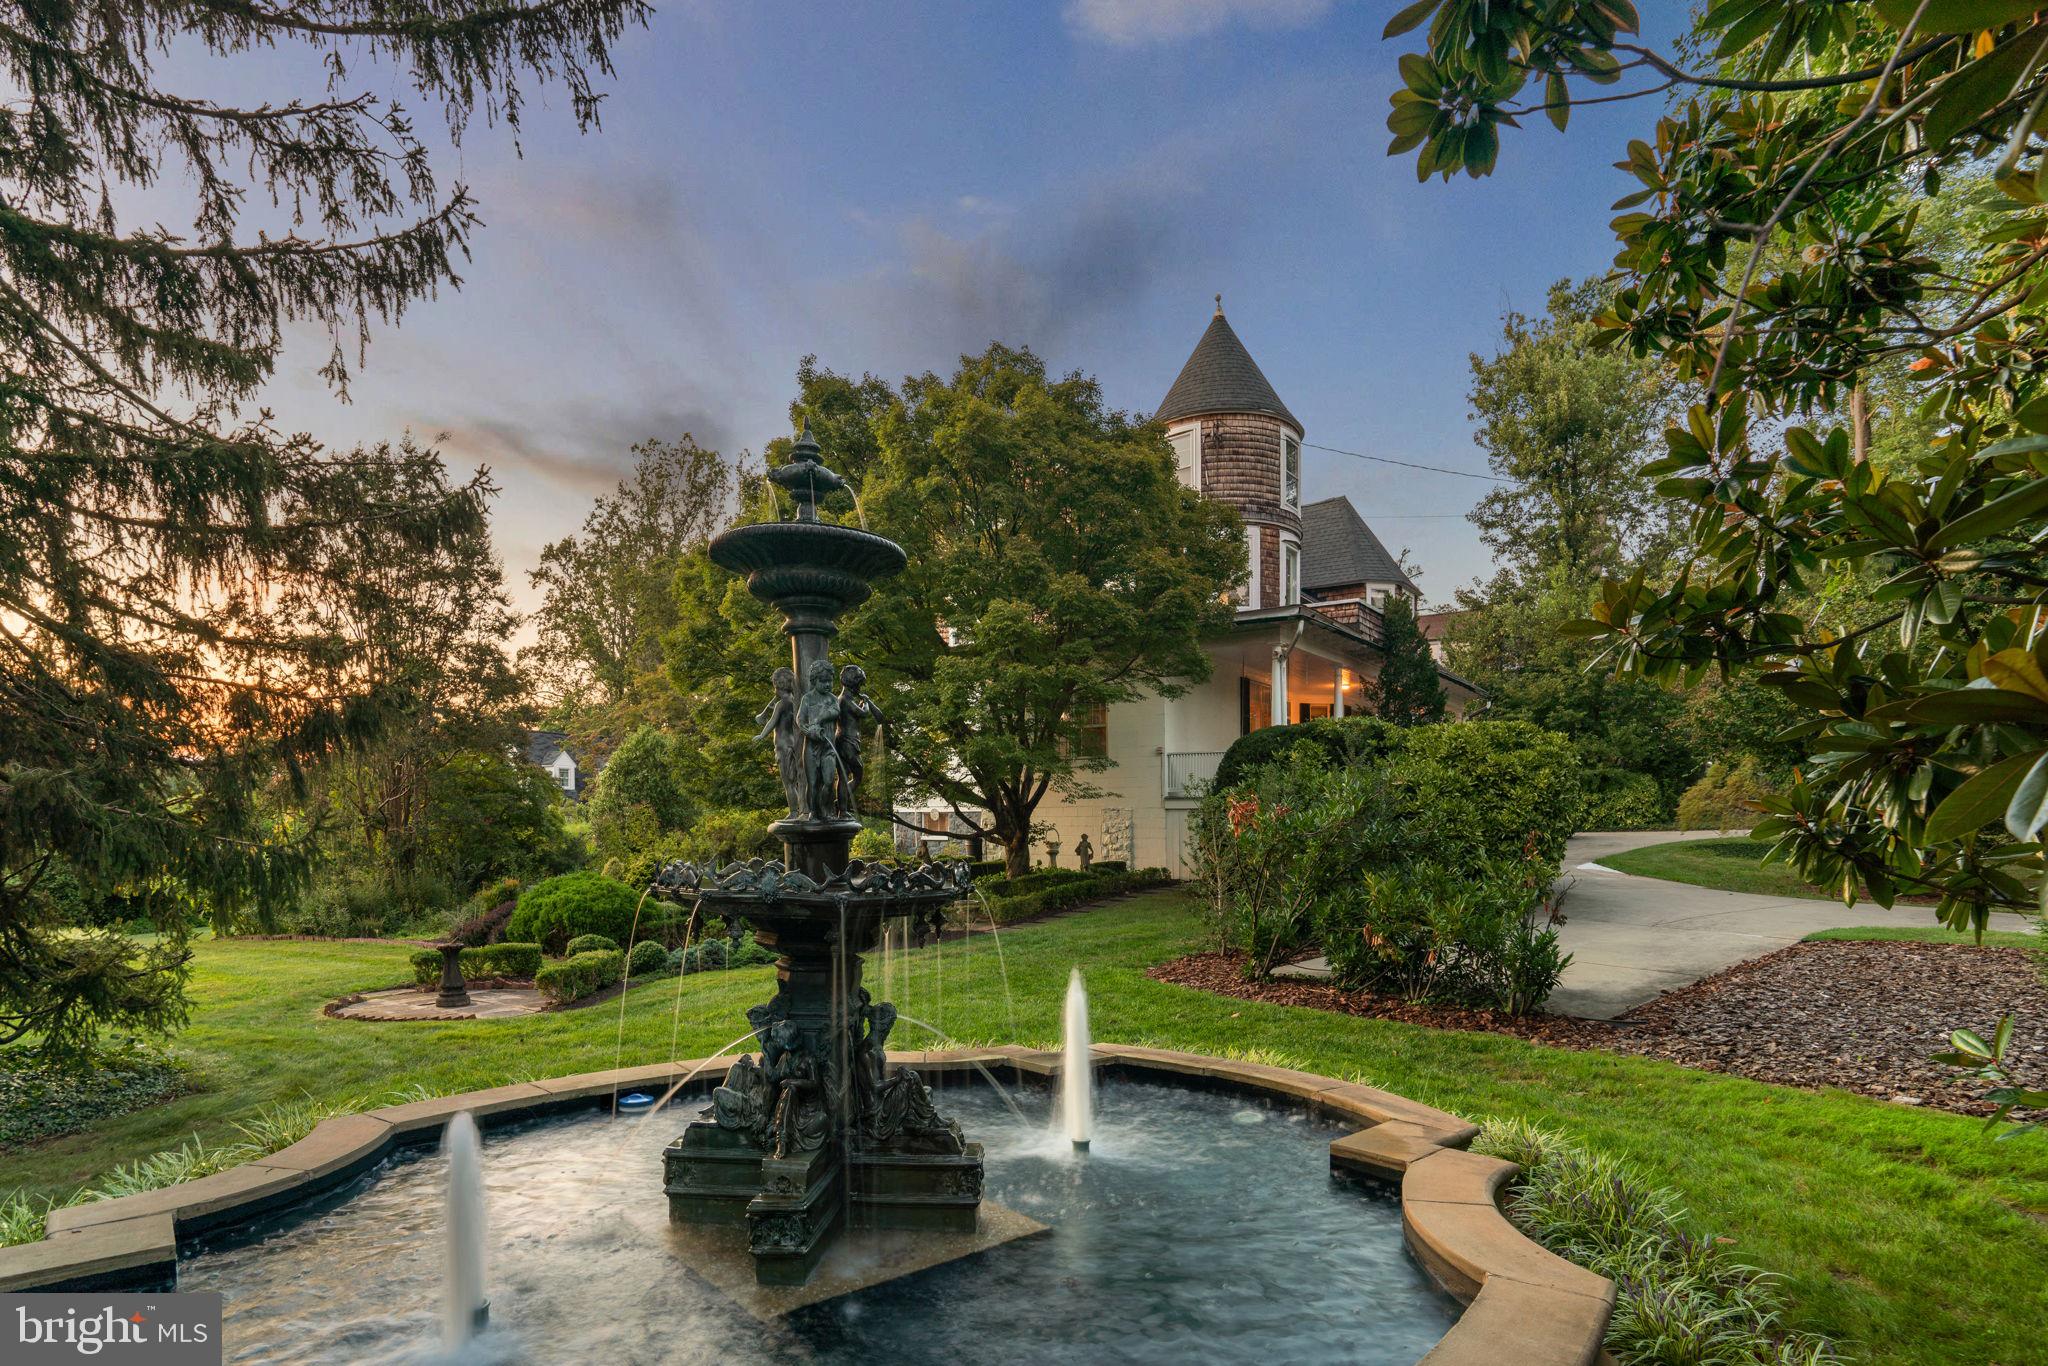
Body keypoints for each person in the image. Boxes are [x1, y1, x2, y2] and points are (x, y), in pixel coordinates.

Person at [834, 664, 885, 814]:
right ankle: (840, 804)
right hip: (847, 742)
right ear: (853, 683)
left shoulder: (846, 699)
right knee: (857, 775)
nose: (860, 687)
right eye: (859, 684)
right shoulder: (844, 699)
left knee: (844, 776)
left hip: (845, 741)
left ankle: (841, 806)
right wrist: (866, 703)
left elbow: (880, 718)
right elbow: (863, 713)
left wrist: (866, 702)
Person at [796, 658, 843, 820]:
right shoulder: (807, 699)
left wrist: (819, 718)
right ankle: (813, 812)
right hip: (811, 747)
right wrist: (809, 732)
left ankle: (824, 809)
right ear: (814, 680)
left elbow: (835, 711)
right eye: (823, 681)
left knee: (829, 781)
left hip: (829, 748)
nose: (827, 684)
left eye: (829, 681)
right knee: (813, 783)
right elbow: (800, 720)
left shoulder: (832, 699)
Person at [753, 666, 801, 815]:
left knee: (788, 784)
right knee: (793, 782)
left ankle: (794, 813)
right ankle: (800, 811)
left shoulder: (781, 704)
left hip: (782, 746)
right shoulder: (792, 700)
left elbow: (772, 722)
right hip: (792, 744)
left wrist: (762, 735)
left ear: (777, 685)